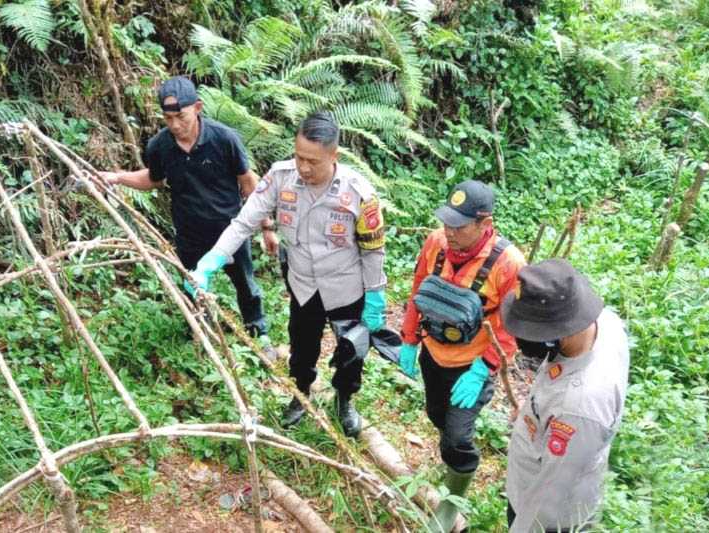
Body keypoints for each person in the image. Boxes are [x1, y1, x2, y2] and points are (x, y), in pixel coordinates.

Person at [187, 111, 387, 437]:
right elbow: (243, 223)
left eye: (313, 161)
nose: (304, 167)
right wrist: (211, 261)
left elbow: (373, 250)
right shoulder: (281, 178)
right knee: (301, 348)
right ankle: (300, 396)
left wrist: (376, 294)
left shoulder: (359, 194)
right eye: (298, 157)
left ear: (333, 156)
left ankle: (345, 399)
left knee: (352, 352)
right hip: (304, 285)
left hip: (346, 288)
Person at [99, 76, 272, 337]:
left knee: (245, 284)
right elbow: (153, 179)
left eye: (181, 116)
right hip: (189, 232)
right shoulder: (160, 146)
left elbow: (249, 183)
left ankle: (258, 333)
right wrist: (118, 177)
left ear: (198, 108)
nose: (175, 125)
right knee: (192, 284)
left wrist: (267, 227)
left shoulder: (224, 139)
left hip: (230, 229)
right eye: (168, 119)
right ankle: (200, 332)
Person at [398, 180, 526, 532]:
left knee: (457, 436)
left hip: (472, 364)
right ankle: (452, 462)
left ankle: (452, 505)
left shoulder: (508, 264)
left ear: (484, 224)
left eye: (459, 226)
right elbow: (418, 287)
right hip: (434, 352)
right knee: (436, 414)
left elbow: (512, 325)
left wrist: (484, 367)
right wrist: (409, 338)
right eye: (446, 223)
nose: (449, 233)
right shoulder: (436, 243)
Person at [500, 259, 630, 532]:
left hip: (548, 518)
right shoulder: (602, 323)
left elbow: (549, 500)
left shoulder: (579, 407)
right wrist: (535, 411)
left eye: (529, 332)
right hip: (538, 477)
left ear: (560, 332)